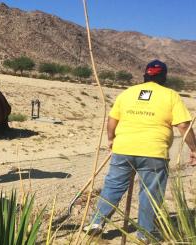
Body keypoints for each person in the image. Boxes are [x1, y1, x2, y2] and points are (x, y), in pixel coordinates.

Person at [84, 60, 196, 242]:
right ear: (164, 77)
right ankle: (144, 234)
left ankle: (96, 223)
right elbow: (183, 125)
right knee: (150, 193)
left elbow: (112, 120)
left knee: (113, 186)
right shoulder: (171, 95)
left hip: (123, 148)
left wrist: (111, 139)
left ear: (145, 75)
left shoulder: (127, 93)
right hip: (154, 151)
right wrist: (194, 149)